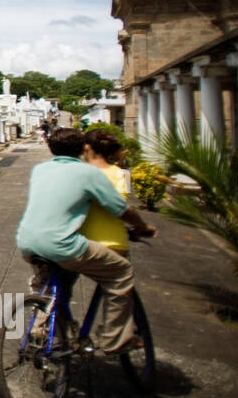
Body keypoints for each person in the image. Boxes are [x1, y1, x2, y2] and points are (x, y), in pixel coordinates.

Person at [15, 127, 156, 356]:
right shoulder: (89, 174)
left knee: (50, 288)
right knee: (121, 272)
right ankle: (114, 341)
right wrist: (143, 227)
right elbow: (119, 208)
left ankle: (42, 333)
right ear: (83, 148)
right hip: (62, 244)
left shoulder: (40, 169)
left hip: (27, 242)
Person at [79, 129, 132, 256]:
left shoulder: (78, 173)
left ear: (86, 148)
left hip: (81, 243)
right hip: (114, 243)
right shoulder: (123, 174)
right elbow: (123, 207)